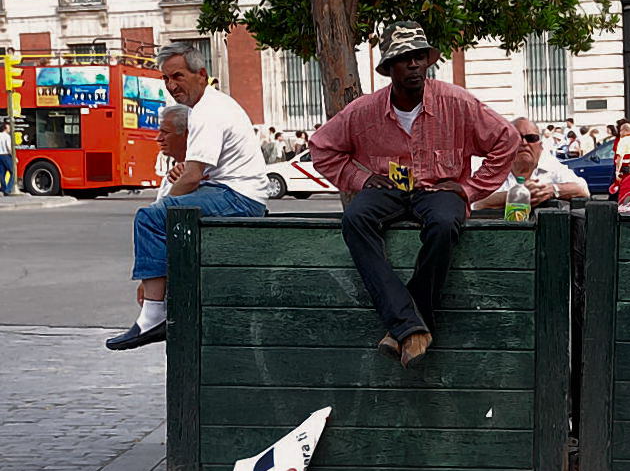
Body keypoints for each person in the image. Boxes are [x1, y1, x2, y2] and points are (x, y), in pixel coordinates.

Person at [310, 21, 519, 369]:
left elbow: (506, 140)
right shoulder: (364, 110)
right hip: (390, 189)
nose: (414, 65)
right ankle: (410, 323)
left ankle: (405, 324)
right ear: (389, 68)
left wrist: (469, 188)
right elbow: (321, 148)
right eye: (404, 58)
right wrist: (361, 179)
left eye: (420, 57)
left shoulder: (457, 101)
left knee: (444, 221)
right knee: (356, 218)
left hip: (439, 187)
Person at [106, 43, 268, 351]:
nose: (171, 86)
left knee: (150, 218)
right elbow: (196, 174)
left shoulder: (208, 111)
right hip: (234, 192)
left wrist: (161, 211)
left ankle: (154, 313)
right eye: (166, 79)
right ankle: (157, 305)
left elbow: (192, 176)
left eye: (178, 76)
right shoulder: (209, 107)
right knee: (161, 214)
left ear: (202, 74)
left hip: (238, 197)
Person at [474, 117, 589, 211]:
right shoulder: (493, 167)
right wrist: (519, 194)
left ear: (540, 146)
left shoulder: (550, 165)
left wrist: (552, 189)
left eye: (531, 138)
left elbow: (582, 189)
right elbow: (475, 203)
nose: (524, 143)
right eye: (516, 138)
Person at [153, 105, 189, 200]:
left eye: (166, 132)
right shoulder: (168, 178)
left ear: (186, 134)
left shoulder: (199, 176)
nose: (159, 138)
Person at [0, 121, 13, 196]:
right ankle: (8, 190)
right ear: (5, 128)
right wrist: (13, 157)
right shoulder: (7, 136)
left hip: (0, 155)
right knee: (13, 172)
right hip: (6, 155)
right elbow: (8, 147)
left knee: (2, 173)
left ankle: (3, 188)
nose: (10, 129)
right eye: (9, 127)